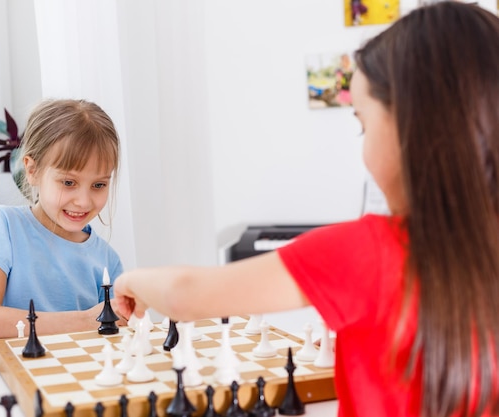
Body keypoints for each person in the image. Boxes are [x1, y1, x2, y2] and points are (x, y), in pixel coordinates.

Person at [114, 3, 499, 416]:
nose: (363, 146)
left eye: (364, 125)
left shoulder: (365, 250)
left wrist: (130, 280)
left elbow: (186, 296)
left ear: (412, 127)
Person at [0, 99, 125, 339]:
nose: (84, 201)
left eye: (98, 185)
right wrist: (85, 319)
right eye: (68, 182)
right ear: (32, 170)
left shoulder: (108, 260)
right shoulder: (1, 227)